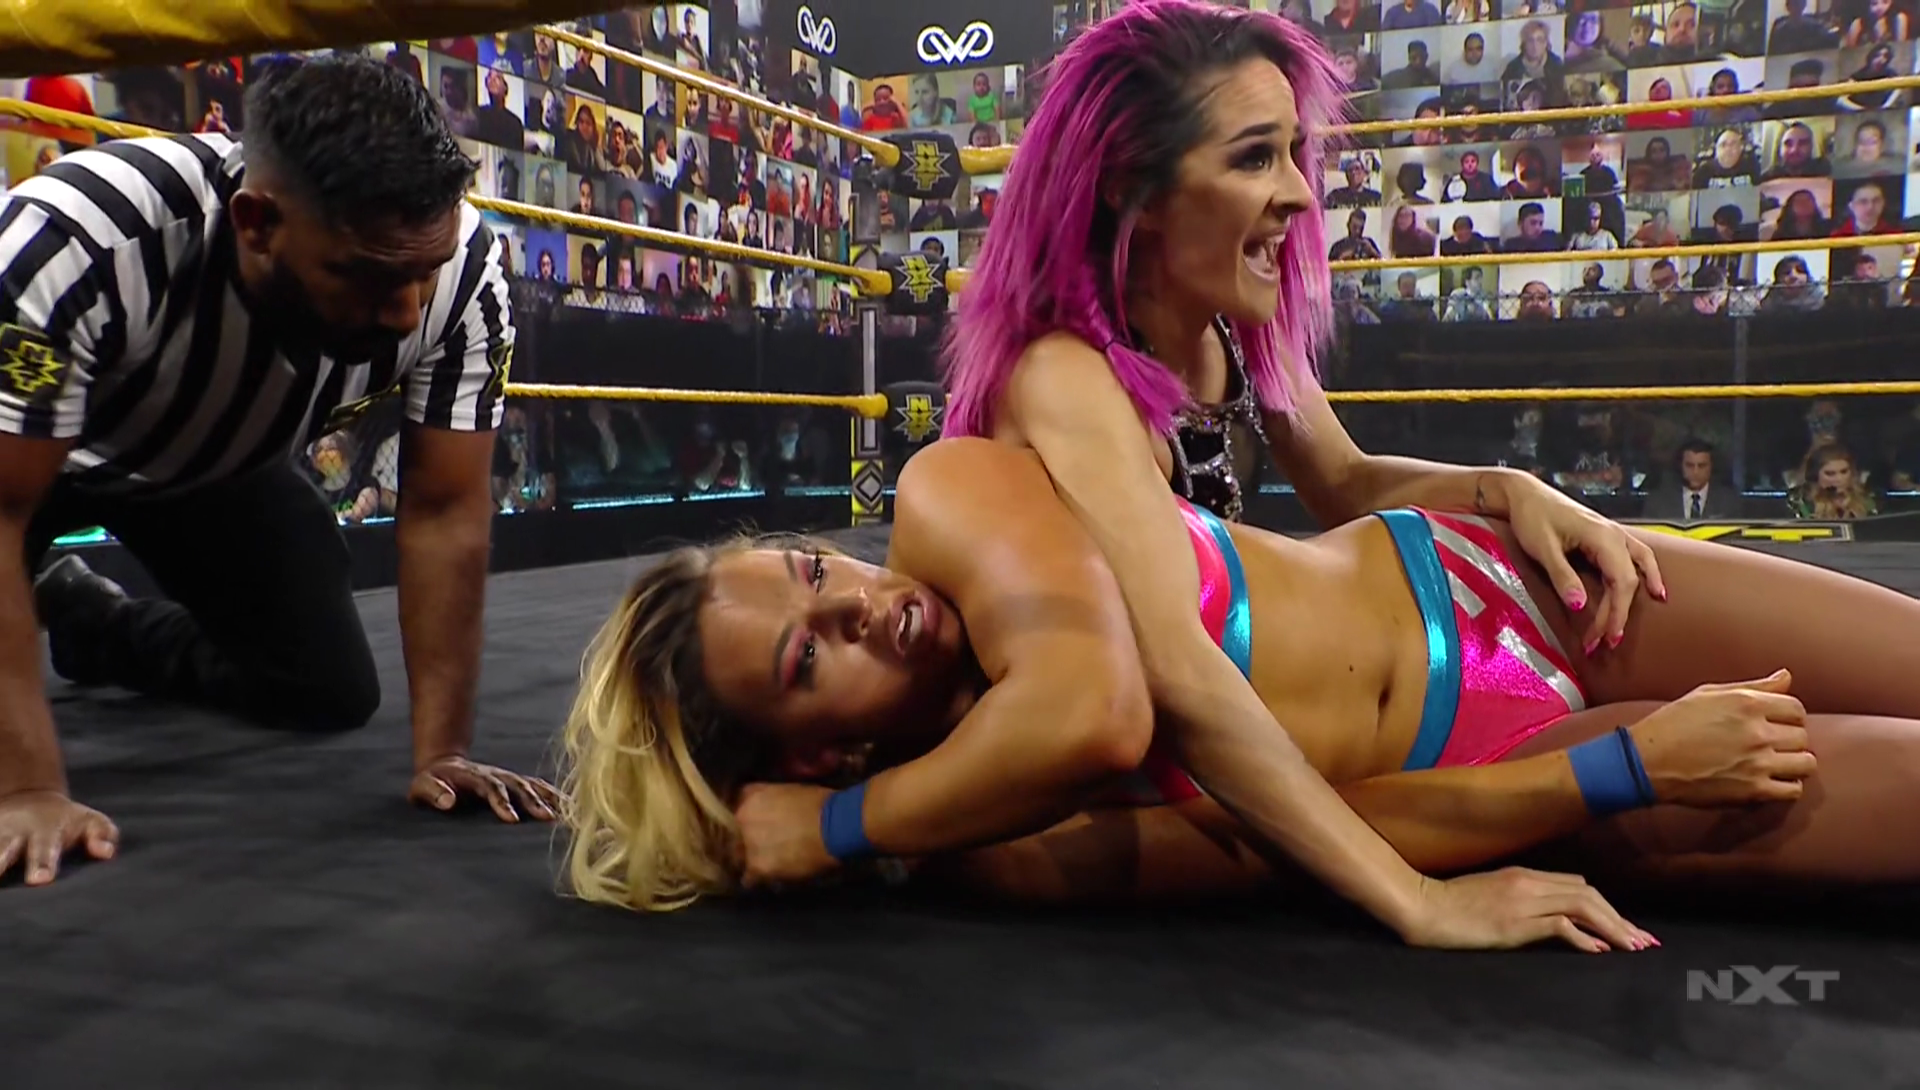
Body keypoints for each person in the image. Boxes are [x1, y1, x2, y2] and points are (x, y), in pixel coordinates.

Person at [740, 0, 1676, 950]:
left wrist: (1508, 489)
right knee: (1732, 765)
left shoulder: (1235, 321)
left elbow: (1345, 482)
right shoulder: (1063, 379)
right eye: (1255, 157)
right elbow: (1174, 675)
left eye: (1292, 153)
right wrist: (1417, 900)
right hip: (1371, 734)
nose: (1300, 195)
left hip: (1453, 589)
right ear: (1133, 190)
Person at [557, 438, 1920, 934]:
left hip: (1489, 572)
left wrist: (1500, 485)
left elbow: (1096, 708)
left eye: (813, 568)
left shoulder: (952, 497)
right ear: (813, 753)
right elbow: (1319, 832)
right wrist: (1623, 770)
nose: (858, 602)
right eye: (812, 655)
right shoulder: (1002, 844)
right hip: (1514, 758)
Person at [0, 55, 558, 889]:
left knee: (324, 687)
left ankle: (93, 622)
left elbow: (445, 509)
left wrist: (443, 753)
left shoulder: (464, 275)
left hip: (219, 459)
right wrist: (28, 787)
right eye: (370, 275)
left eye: (424, 270)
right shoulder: (82, 238)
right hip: (37, 456)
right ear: (257, 223)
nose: (406, 311)